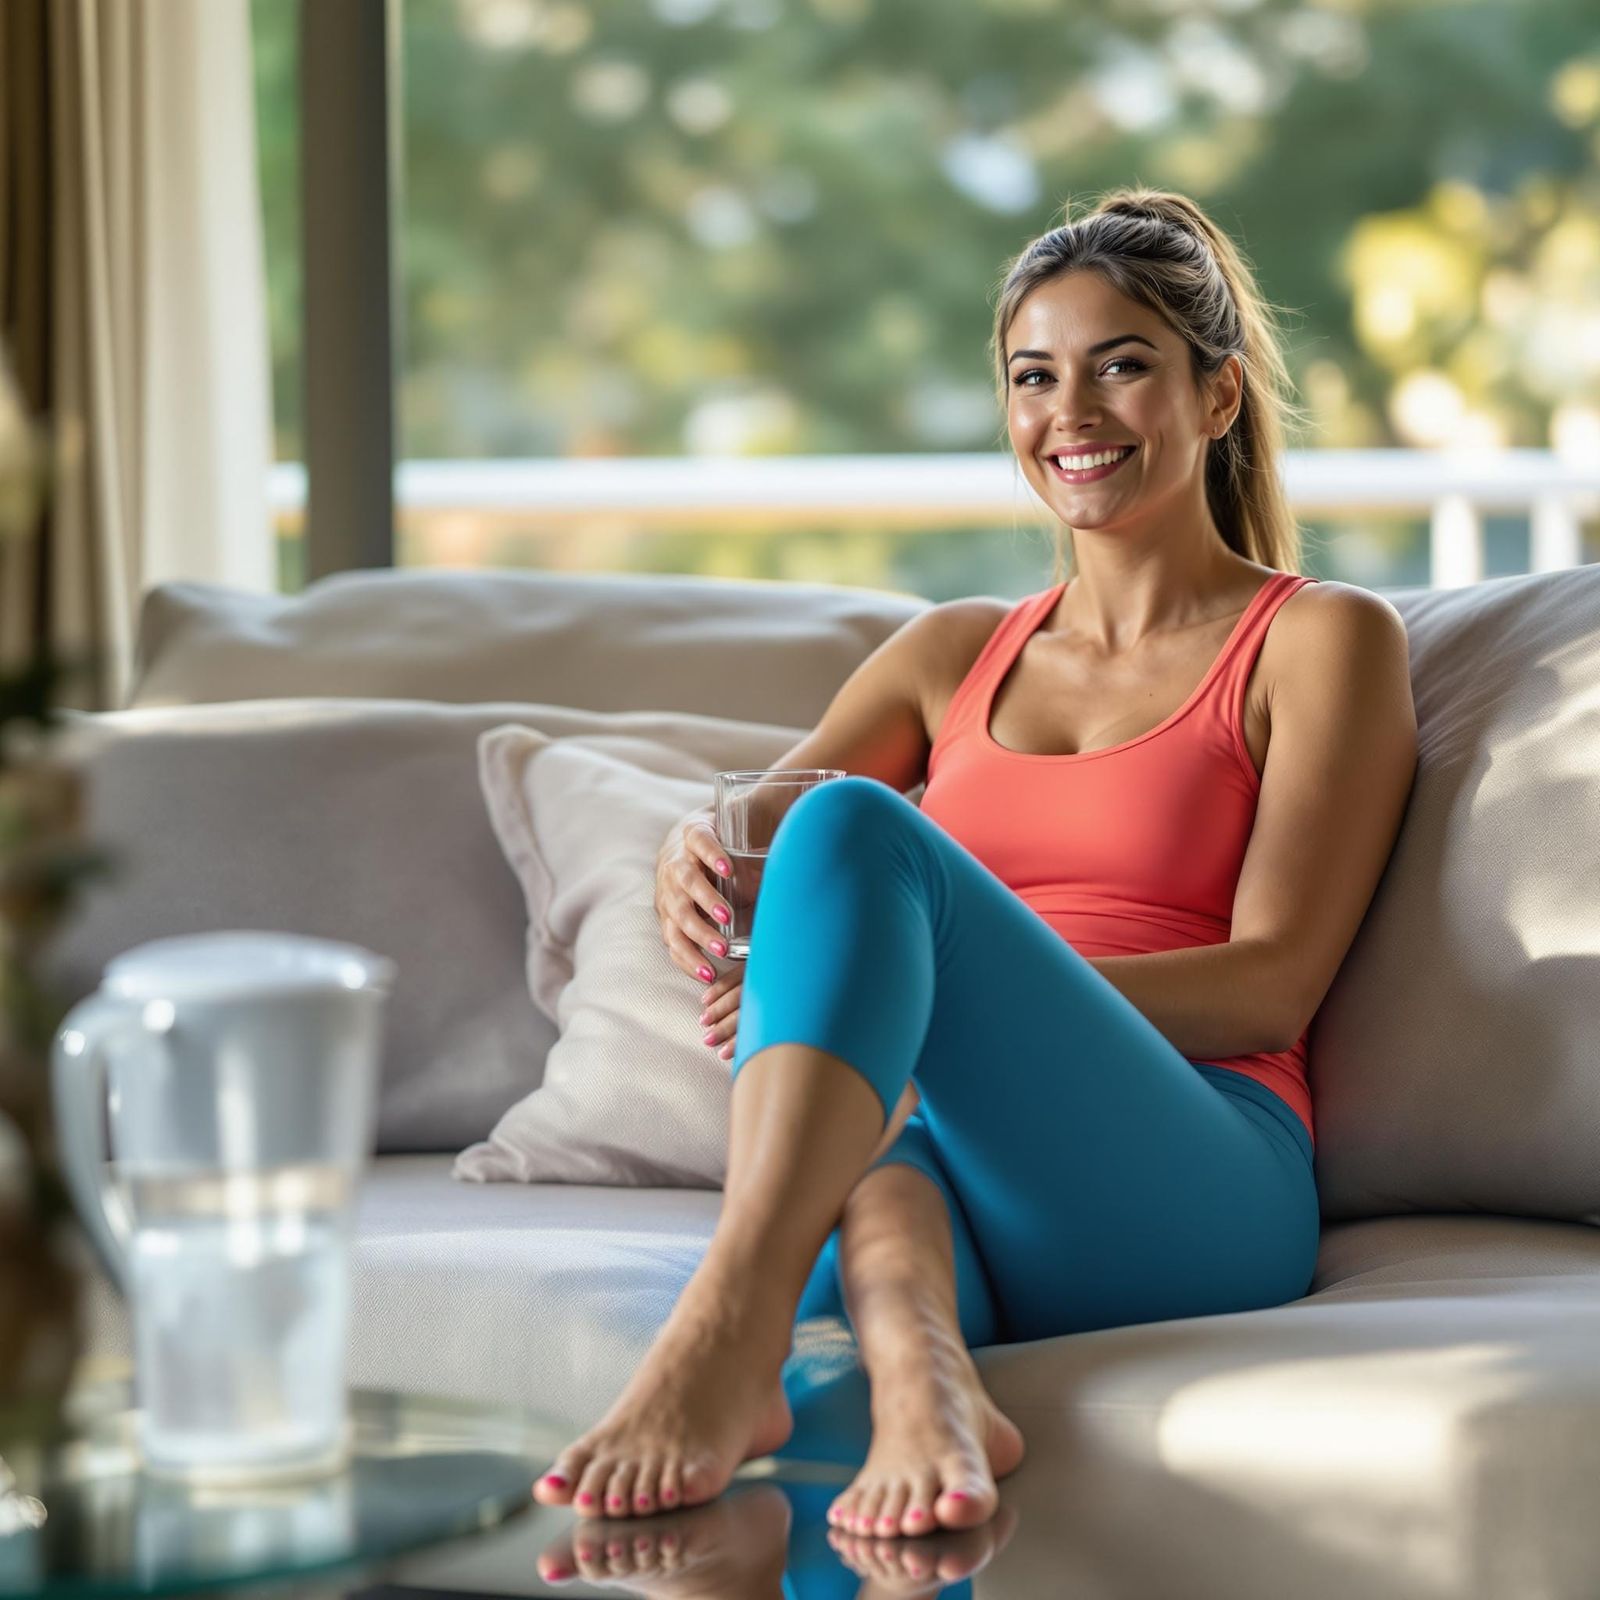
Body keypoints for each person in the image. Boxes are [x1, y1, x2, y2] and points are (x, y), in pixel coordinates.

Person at [532, 185, 1418, 1543]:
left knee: (858, 833)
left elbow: (1270, 989)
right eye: (1033, 377)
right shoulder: (952, 654)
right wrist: (684, 855)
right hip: (948, 1172)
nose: (1073, 414)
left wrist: (931, 990)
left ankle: (722, 1321)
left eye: (1122, 366)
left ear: (1219, 395)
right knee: (834, 1434)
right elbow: (761, 834)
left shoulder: (1318, 641)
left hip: (1198, 1171)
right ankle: (918, 1382)